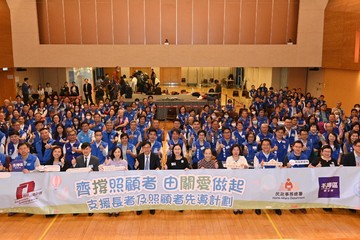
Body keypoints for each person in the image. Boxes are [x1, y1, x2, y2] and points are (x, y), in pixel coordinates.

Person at [71, 142, 99, 216]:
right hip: (81, 182)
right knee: (79, 196)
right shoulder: (78, 158)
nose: (85, 151)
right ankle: (78, 209)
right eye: (83, 149)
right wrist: (74, 165)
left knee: (90, 197)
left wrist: (93, 172)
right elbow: (76, 171)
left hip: (91, 182)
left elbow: (97, 173)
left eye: (87, 149)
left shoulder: (95, 159)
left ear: (90, 149)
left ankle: (90, 209)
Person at [134, 141, 161, 215]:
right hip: (142, 178)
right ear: (142, 149)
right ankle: (140, 207)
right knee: (141, 193)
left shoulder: (155, 156)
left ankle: (151, 207)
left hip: (152, 178)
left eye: (148, 147)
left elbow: (159, 166)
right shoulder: (139, 157)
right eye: (144, 148)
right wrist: (136, 166)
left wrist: (158, 168)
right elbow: (136, 168)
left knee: (151, 193)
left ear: (150, 148)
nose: (146, 149)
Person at [225, 144, 248, 215]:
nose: (236, 151)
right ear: (231, 151)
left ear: (239, 151)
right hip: (232, 179)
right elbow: (228, 169)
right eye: (234, 150)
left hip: (241, 179)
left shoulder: (242, 158)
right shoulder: (229, 158)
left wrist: (244, 166)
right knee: (233, 193)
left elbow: (247, 167)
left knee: (241, 193)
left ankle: (240, 207)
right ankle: (235, 207)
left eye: (237, 150)